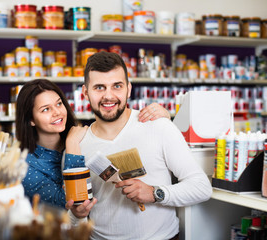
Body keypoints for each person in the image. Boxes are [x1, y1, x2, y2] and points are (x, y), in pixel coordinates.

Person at [66, 51, 212, 240]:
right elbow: (74, 221)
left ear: (128, 88)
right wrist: (77, 215)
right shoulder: (78, 145)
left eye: (117, 86)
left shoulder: (158, 125)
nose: (108, 96)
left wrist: (154, 193)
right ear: (85, 92)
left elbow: (201, 188)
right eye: (99, 87)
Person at [15, 79, 170, 208]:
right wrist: (72, 146)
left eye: (59, 103)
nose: (57, 112)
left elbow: (125, 140)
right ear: (30, 120)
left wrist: (161, 120)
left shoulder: (84, 135)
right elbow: (71, 202)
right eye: (45, 109)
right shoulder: (25, 167)